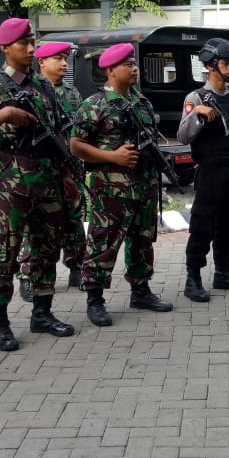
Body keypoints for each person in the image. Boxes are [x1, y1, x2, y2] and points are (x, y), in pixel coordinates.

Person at [0, 18, 76, 352]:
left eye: (32, 43)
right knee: (4, 254)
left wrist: (67, 175)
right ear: (5, 48)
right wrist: (5, 114)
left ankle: (42, 313)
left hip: (48, 179)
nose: (30, 49)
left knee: (46, 249)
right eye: (23, 44)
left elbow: (58, 132)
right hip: (13, 183)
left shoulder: (43, 86)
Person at [70, 43, 174, 326]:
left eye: (134, 63)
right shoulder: (96, 104)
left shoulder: (141, 102)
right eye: (128, 65)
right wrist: (112, 156)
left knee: (142, 240)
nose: (134, 68)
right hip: (112, 189)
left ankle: (141, 291)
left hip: (144, 184)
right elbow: (76, 145)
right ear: (111, 70)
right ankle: (95, 299)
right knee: (103, 242)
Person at [178, 38, 229, 301]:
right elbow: (183, 136)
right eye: (225, 63)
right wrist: (197, 114)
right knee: (203, 225)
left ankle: (223, 272)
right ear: (211, 65)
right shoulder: (196, 97)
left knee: (228, 223)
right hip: (210, 171)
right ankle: (193, 278)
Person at [18, 42, 87, 301]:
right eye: (58, 59)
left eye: (66, 59)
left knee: (74, 217)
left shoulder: (72, 93)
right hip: (41, 168)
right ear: (42, 62)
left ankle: (76, 266)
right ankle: (28, 275)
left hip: (70, 164)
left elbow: (78, 129)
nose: (64, 64)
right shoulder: (30, 89)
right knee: (36, 222)